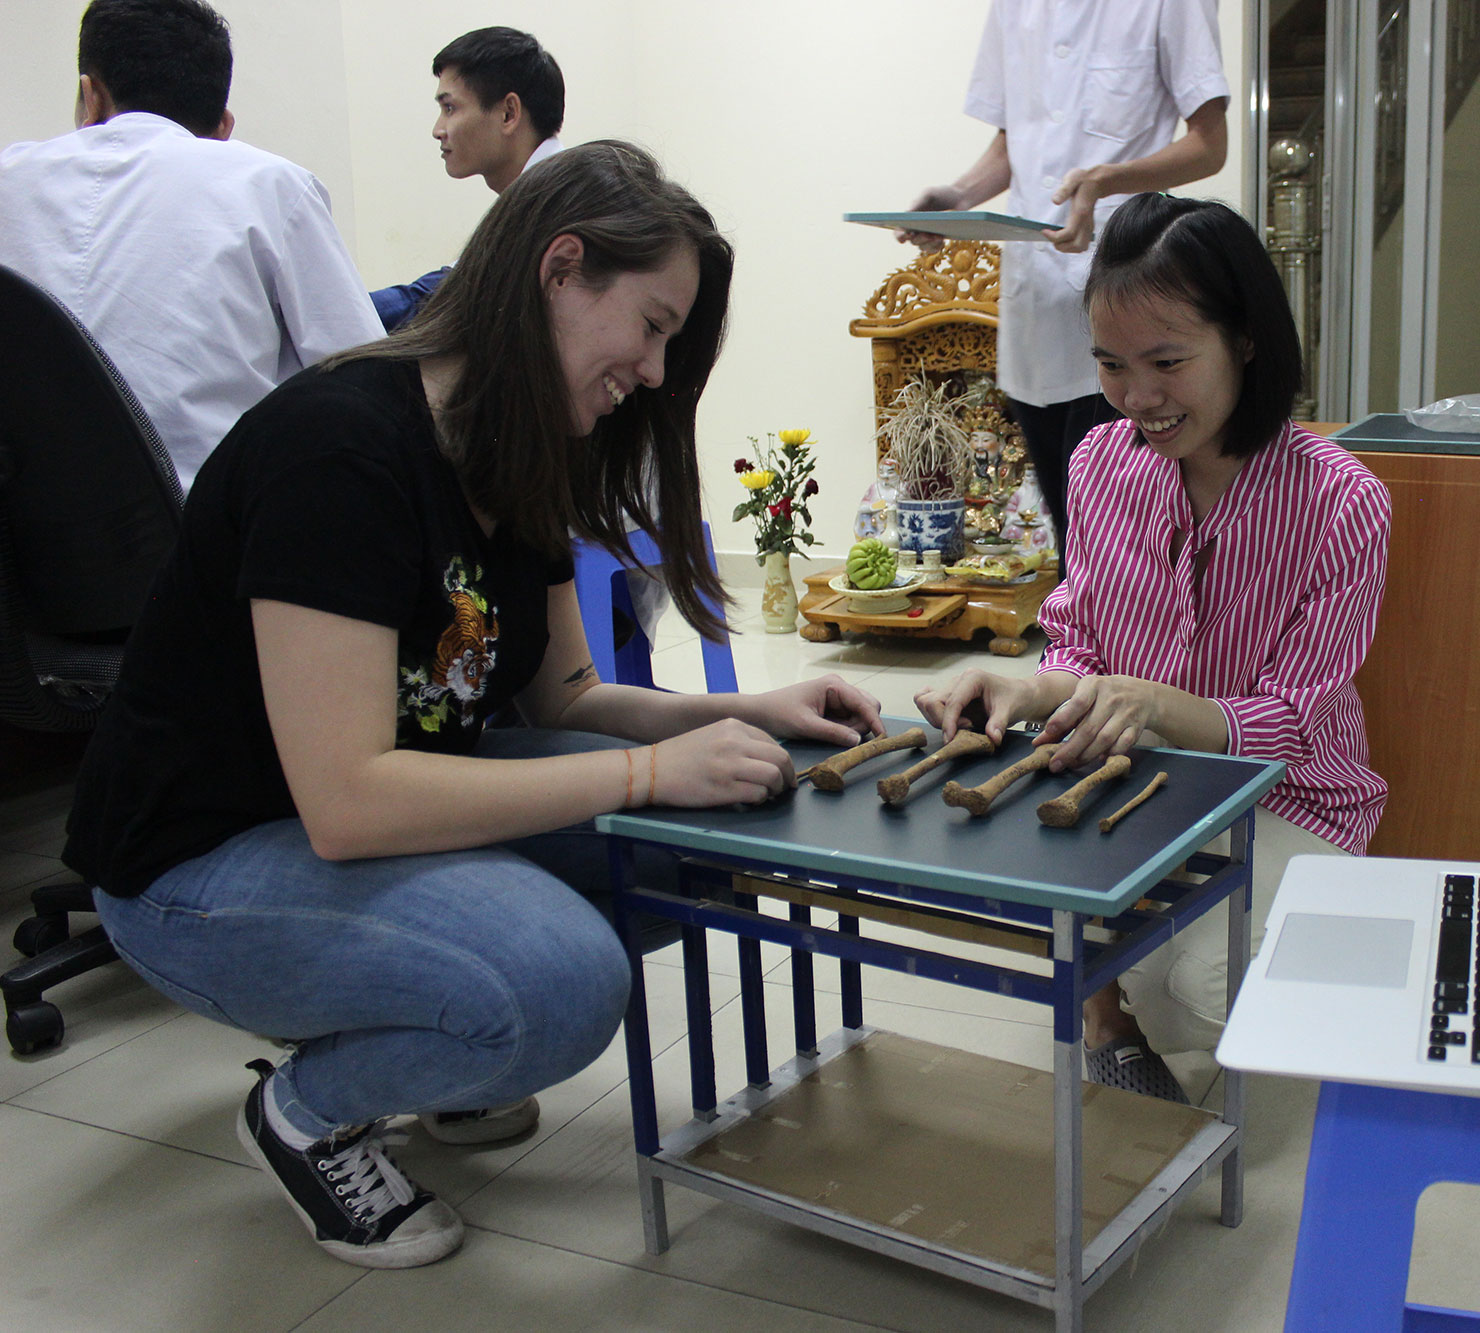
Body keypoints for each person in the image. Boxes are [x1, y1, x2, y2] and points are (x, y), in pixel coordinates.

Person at [61, 141, 884, 1270]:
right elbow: (348, 801)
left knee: (691, 844)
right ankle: (307, 1110)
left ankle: (425, 1036)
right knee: (559, 979)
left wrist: (744, 716)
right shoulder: (340, 447)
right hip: (197, 866)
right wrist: (650, 775)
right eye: (649, 324)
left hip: (340, 822)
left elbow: (570, 695)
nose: (653, 370)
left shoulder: (521, 451)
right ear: (559, 269)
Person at [916, 193, 1390, 1102]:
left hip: (1294, 803)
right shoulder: (1099, 460)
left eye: (1168, 361)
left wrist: (1157, 704)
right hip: (1135, 782)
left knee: (1199, 989)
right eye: (1110, 364)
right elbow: (1083, 641)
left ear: (1245, 341)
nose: (1137, 397)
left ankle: (1132, 990)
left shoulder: (1342, 500)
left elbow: (1292, 722)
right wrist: (1032, 688)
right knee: (1019, 867)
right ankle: (1109, 1014)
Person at [0, 0, 383, 492]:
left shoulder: (10, 179)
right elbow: (366, 384)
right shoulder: (271, 185)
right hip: (204, 540)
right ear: (222, 128)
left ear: (90, 96)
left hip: (19, 545)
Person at [900, 0, 1230, 551]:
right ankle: (1072, 639)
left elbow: (1208, 144)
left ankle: (1119, 638)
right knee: (1070, 535)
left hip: (1125, 303)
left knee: (1125, 544)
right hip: (1036, 311)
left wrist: (1110, 180)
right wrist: (957, 200)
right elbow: (1016, 141)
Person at [372, 27, 566, 330]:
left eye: (450, 108)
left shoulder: (560, 208)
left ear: (508, 113)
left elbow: (442, 299)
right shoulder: (539, 199)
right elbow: (447, 287)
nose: (438, 129)